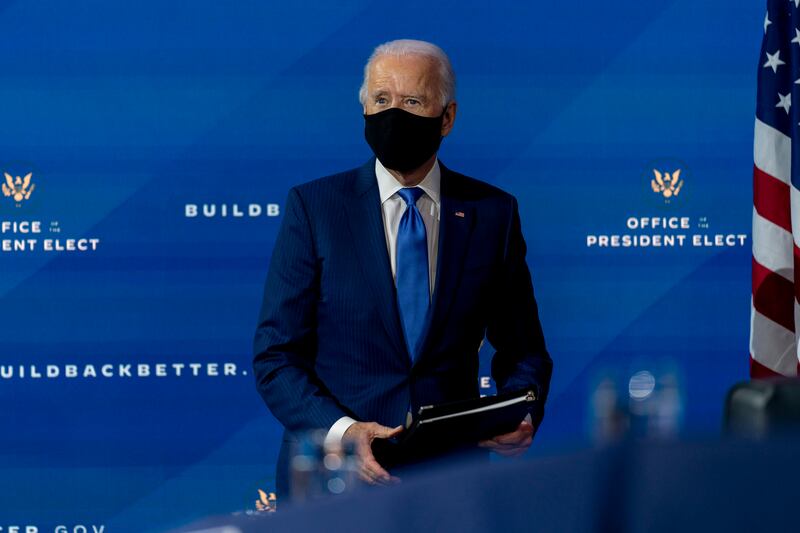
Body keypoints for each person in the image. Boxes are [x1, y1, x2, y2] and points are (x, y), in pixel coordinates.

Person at [253, 39, 552, 498]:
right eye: (380, 100)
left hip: (451, 485)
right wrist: (345, 432)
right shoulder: (315, 209)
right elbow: (276, 357)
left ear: (446, 118)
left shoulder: (493, 214)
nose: (394, 113)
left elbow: (524, 350)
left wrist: (521, 411)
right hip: (336, 483)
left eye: (412, 101)